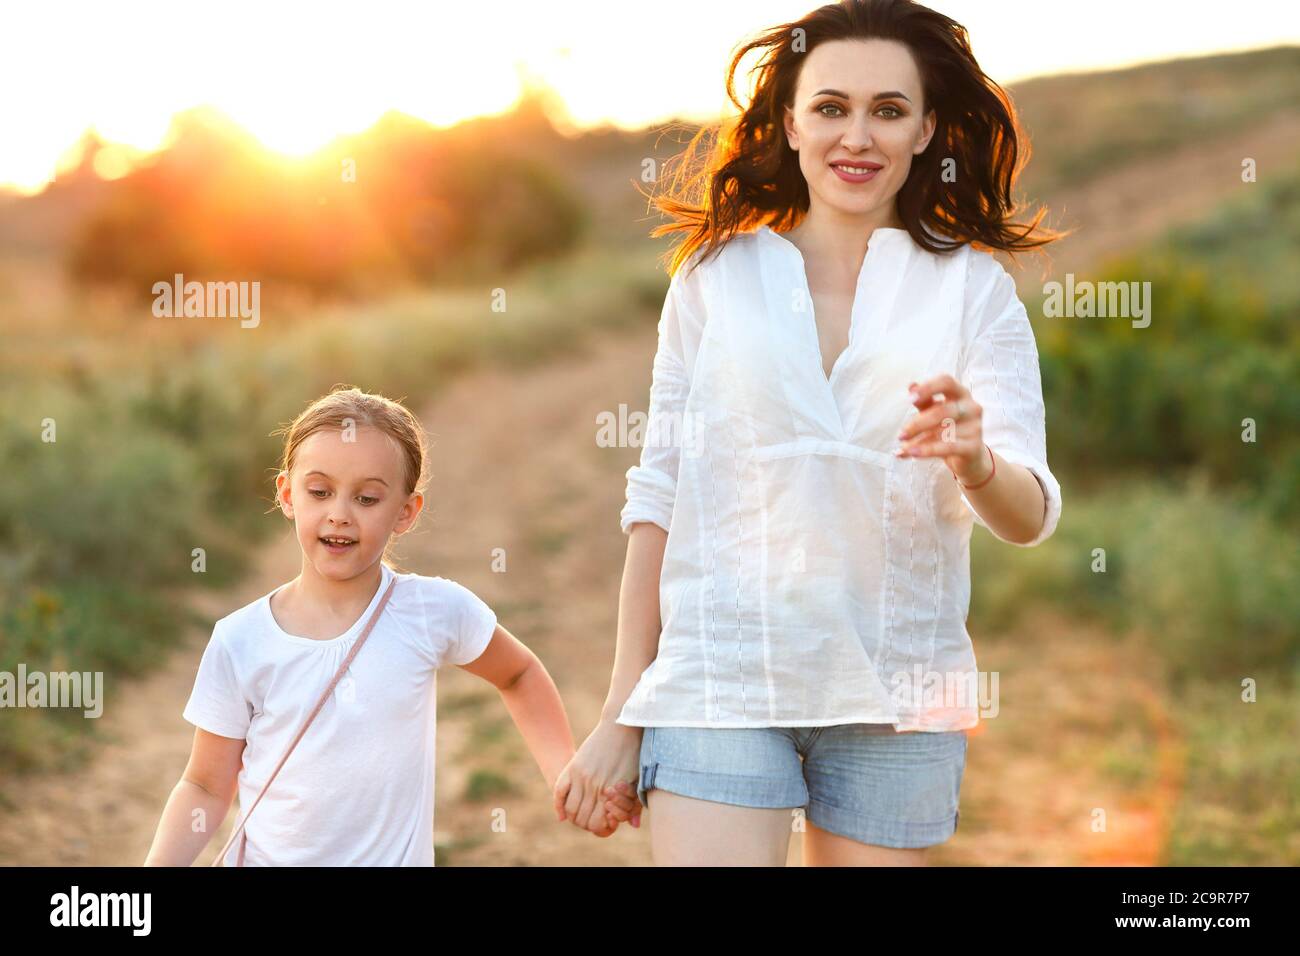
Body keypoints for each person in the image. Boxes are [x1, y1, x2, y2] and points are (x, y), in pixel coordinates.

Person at [572, 0, 1065, 865]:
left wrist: (977, 463)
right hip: (720, 682)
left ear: (926, 130)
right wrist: (624, 711)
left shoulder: (974, 291)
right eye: (831, 107)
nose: (858, 137)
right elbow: (660, 497)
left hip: (897, 698)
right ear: (790, 123)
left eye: (888, 110)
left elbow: (1027, 517)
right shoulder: (715, 278)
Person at [144, 385, 637, 865]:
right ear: (287, 494)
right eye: (320, 492)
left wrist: (565, 777)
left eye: (367, 499)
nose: (339, 515)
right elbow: (206, 785)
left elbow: (518, 673)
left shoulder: (430, 610)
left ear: (405, 511)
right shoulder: (241, 640)